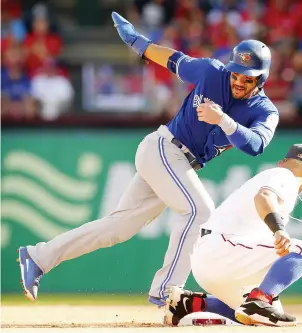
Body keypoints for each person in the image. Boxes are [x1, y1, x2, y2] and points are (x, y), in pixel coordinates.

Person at [18, 12, 280, 306]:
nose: (239, 81)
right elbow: (173, 59)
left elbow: (256, 145)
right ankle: (168, 292)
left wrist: (224, 121)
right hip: (164, 149)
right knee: (200, 211)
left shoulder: (265, 111)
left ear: (261, 78)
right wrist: (138, 42)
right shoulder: (212, 72)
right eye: (235, 74)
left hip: (178, 162)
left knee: (117, 229)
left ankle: (39, 256)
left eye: (248, 78)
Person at [164, 144, 302, 327]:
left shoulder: (276, 173)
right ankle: (259, 301)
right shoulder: (285, 176)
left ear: (281, 162)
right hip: (224, 248)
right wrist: (279, 229)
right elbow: (264, 197)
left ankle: (190, 305)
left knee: (260, 316)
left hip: (213, 258)